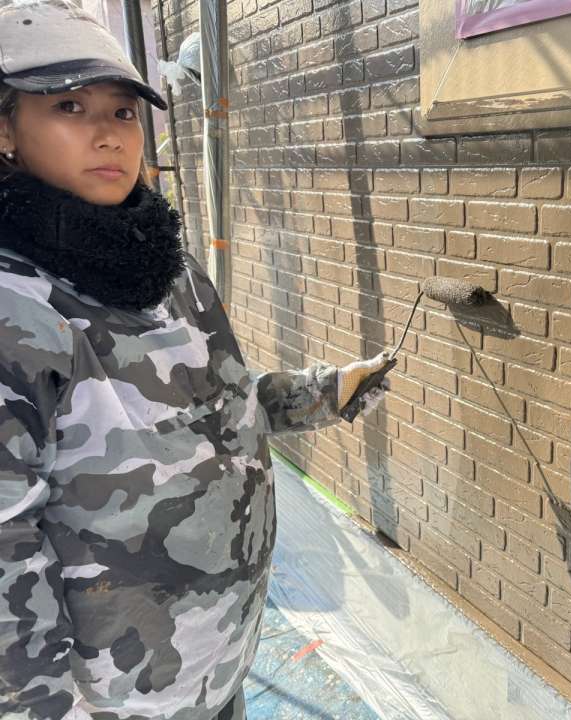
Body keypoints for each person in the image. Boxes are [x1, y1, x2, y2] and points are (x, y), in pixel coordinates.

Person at [0, 2, 390, 718]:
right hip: (111, 701)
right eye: (69, 106)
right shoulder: (15, 308)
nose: (107, 134)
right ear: (6, 129)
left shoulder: (166, 266)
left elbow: (220, 405)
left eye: (123, 112)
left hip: (215, 661)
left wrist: (321, 393)